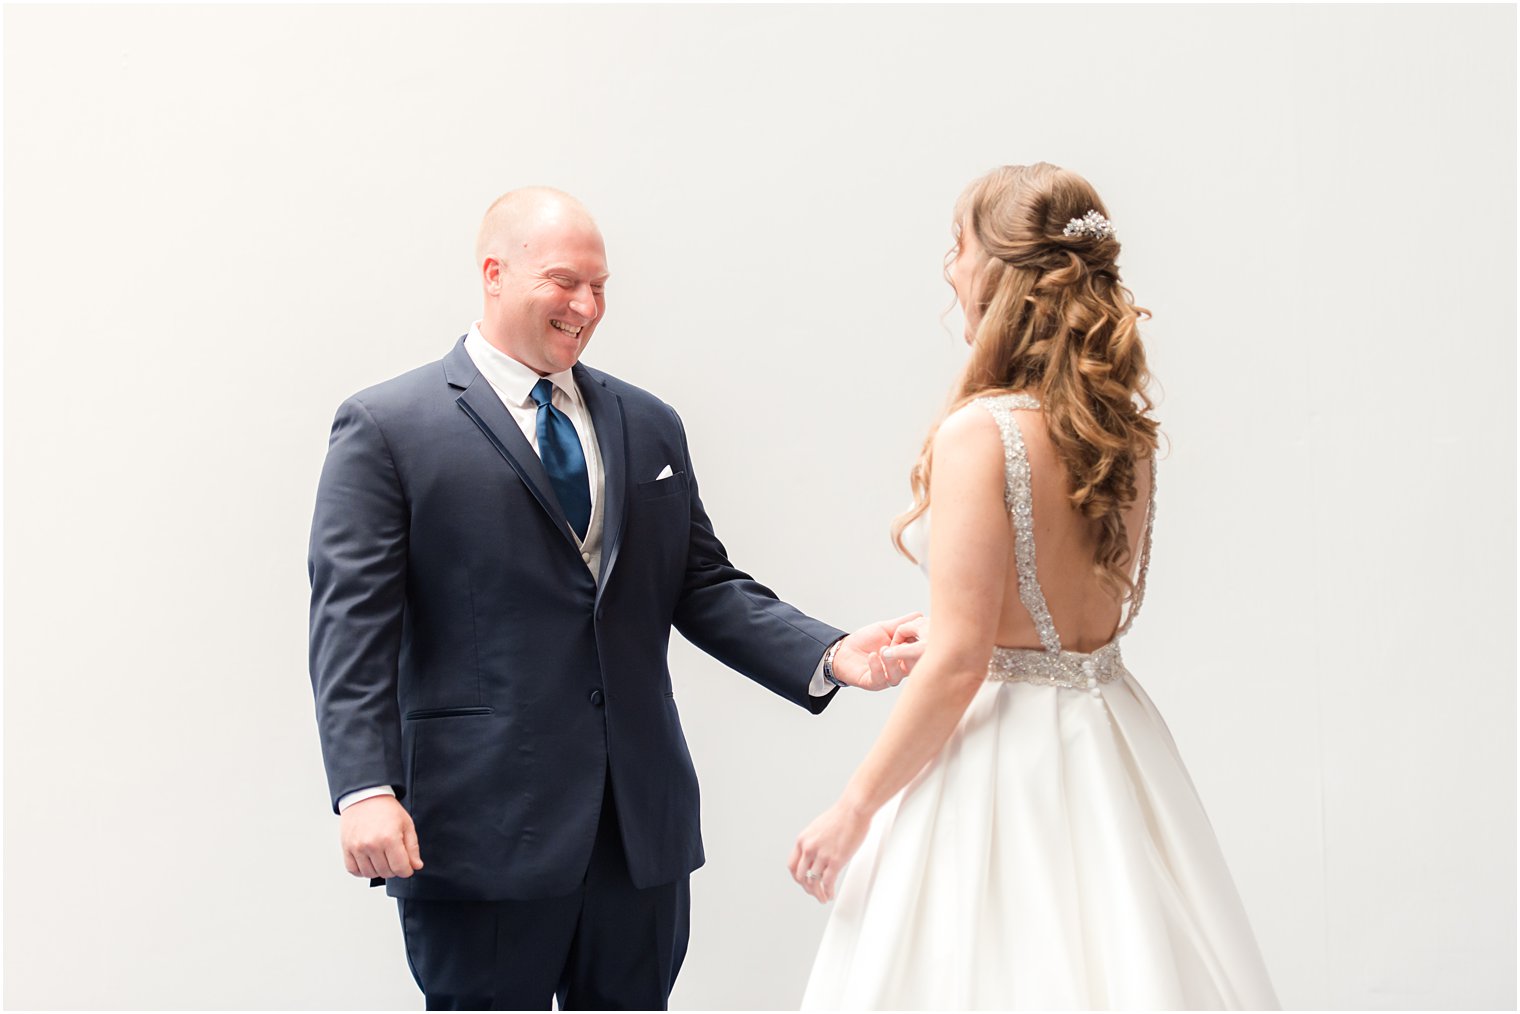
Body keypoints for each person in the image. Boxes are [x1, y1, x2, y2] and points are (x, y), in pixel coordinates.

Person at [307, 187, 915, 1011]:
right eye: (565, 281)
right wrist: (366, 789)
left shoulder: (647, 422)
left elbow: (701, 583)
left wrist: (831, 653)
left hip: (638, 831)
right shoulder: (388, 428)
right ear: (494, 272)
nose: (587, 306)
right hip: (483, 827)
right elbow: (352, 626)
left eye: (600, 286)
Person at [790, 163, 1279, 1010]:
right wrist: (960, 625)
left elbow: (960, 663)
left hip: (999, 766)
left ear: (999, 274)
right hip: (1107, 741)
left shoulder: (981, 434)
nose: (948, 269)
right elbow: (1060, 617)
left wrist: (854, 810)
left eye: (957, 246)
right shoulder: (1121, 432)